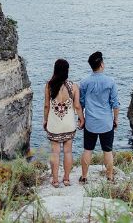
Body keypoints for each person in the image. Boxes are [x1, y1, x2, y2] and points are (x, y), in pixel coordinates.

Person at [79, 50, 120, 184]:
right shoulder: (110, 81)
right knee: (107, 151)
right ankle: (109, 177)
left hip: (90, 123)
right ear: (101, 64)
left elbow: (81, 103)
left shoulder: (84, 82)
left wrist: (82, 119)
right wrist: (116, 120)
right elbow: (115, 104)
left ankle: (84, 177)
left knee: (87, 150)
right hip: (106, 123)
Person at [43, 58, 84, 188]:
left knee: (55, 152)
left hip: (54, 125)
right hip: (69, 125)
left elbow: (46, 106)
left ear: (55, 70)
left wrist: (45, 120)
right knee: (68, 152)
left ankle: (55, 180)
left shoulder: (49, 85)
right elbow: (77, 106)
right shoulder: (74, 86)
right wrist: (82, 118)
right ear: (67, 71)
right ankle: (66, 179)